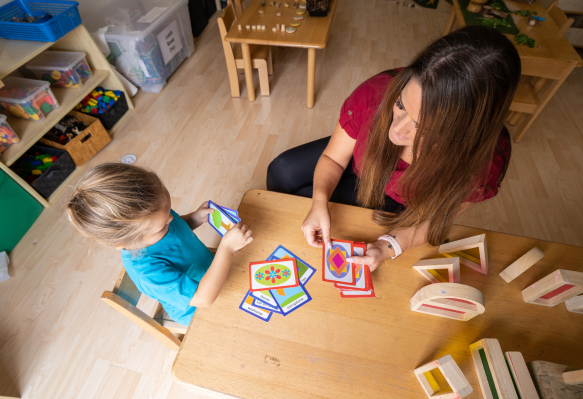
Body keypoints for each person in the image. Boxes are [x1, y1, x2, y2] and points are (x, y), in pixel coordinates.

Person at [266, 26, 520, 271]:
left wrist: (386, 247)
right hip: (362, 165)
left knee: (332, 214)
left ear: (463, 136)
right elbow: (333, 158)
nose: (396, 131)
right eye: (400, 105)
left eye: (423, 129)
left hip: (399, 201)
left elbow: (433, 221)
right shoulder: (377, 93)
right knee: (282, 171)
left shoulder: (483, 164)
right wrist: (319, 202)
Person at [66, 163, 253, 326]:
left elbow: (176, 232)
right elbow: (204, 299)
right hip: (200, 311)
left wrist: (195, 218)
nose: (172, 219)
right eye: (163, 224)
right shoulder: (149, 273)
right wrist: (226, 247)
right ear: (125, 242)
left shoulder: (153, 219)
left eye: (169, 212)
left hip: (215, 272)